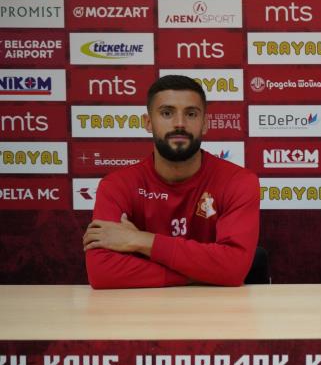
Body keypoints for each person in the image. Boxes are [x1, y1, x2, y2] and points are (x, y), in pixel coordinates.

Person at [83, 75, 260, 289]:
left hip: (218, 307)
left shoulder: (238, 182)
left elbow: (233, 268)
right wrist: (204, 274)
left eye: (191, 114)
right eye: (167, 113)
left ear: (204, 124)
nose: (179, 124)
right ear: (148, 123)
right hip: (141, 309)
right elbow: (102, 273)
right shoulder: (117, 186)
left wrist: (140, 240)